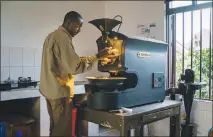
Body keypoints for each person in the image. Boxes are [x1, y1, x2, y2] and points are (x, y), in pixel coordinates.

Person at [39, 11, 116, 136]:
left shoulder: (52, 36)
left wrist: (95, 57)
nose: (79, 30)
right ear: (69, 23)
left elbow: (67, 61)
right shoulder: (63, 39)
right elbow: (75, 67)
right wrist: (98, 56)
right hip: (60, 94)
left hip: (50, 92)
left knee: (55, 128)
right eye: (78, 26)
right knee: (63, 132)